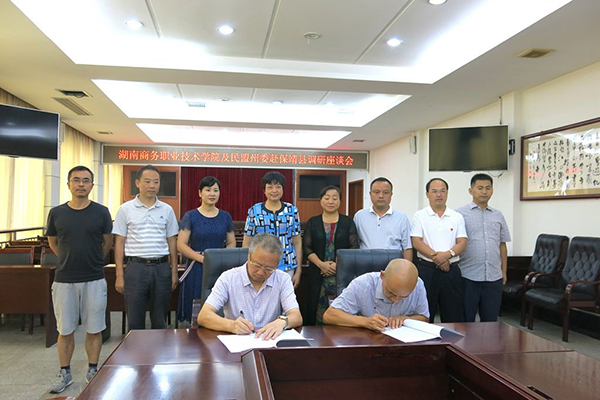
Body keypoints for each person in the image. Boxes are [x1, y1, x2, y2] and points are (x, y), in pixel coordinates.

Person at [46, 166, 113, 393]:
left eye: (86, 180)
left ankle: (92, 370)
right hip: (64, 279)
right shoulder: (57, 213)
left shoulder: (101, 212)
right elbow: (53, 242)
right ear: (69, 184)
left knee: (94, 329)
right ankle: (65, 373)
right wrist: (68, 259)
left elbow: (107, 242)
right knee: (65, 330)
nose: (81, 184)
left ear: (92, 185)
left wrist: (92, 261)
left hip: (94, 278)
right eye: (76, 180)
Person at [198, 233, 302, 340]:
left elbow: (296, 316)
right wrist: (231, 325)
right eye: (257, 265)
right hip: (235, 343)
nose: (261, 272)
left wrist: (283, 322)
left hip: (268, 342)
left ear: (277, 264)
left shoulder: (282, 279)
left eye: (269, 269)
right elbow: (204, 316)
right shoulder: (228, 278)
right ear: (249, 256)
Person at [113, 164, 179, 330]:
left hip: (161, 268)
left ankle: (159, 348)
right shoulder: (125, 209)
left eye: (156, 182)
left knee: (160, 320)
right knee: (135, 320)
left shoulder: (167, 210)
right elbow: (119, 242)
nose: (152, 186)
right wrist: (119, 275)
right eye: (147, 181)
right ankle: (135, 348)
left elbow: (172, 242)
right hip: (136, 269)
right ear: (137, 183)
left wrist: (173, 272)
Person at [176, 176, 236, 325]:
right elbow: (181, 245)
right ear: (200, 193)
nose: (212, 194)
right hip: (196, 266)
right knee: (196, 307)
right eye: (208, 190)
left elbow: (231, 242)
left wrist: (220, 259)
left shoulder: (225, 216)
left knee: (219, 306)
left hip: (219, 269)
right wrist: (203, 259)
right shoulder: (190, 216)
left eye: (215, 190)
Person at [411, 178, 467, 323]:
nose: (439, 195)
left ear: (447, 193)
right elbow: (416, 242)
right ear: (427, 194)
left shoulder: (457, 217)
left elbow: (462, 243)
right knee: (425, 313)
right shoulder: (419, 216)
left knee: (453, 315)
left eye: (442, 191)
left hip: (451, 271)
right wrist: (438, 259)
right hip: (427, 270)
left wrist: (447, 255)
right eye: (434, 191)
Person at [456, 173, 511, 322]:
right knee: (465, 321)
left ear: (492, 191)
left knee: (490, 321)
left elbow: (502, 244)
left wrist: (504, 272)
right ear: (471, 190)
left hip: (494, 277)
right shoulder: (459, 214)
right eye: (480, 188)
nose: (484, 192)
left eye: (488, 188)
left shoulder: (498, 215)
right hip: (467, 276)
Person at [303, 185, 359, 325]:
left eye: (335, 198)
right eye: (327, 198)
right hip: (317, 272)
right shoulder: (313, 222)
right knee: (314, 307)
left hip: (341, 274)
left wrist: (337, 265)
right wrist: (321, 264)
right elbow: (306, 247)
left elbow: (354, 247)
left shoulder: (348, 222)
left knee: (340, 308)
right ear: (321, 200)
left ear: (340, 201)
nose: (330, 201)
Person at [323, 259, 429, 331]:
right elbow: (329, 315)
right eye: (391, 292)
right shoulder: (362, 285)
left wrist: (404, 319)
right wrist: (366, 321)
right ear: (382, 276)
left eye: (404, 297)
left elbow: (424, 317)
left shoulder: (418, 285)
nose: (395, 300)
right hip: (366, 343)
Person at [242, 171, 302, 288]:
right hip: (261, 266)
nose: (274, 191)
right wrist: (248, 267)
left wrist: (298, 270)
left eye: (278, 187)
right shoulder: (254, 211)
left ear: (283, 189)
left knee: (284, 298)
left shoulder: (291, 210)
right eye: (270, 187)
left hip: (287, 265)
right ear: (264, 190)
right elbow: (247, 242)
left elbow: (297, 242)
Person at [353, 177, 413, 261]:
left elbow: (407, 248)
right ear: (370, 194)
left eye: (386, 192)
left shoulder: (401, 218)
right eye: (376, 192)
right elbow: (355, 244)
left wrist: (407, 267)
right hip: (365, 263)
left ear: (391, 195)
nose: (381, 196)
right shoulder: (360, 216)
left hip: (393, 264)